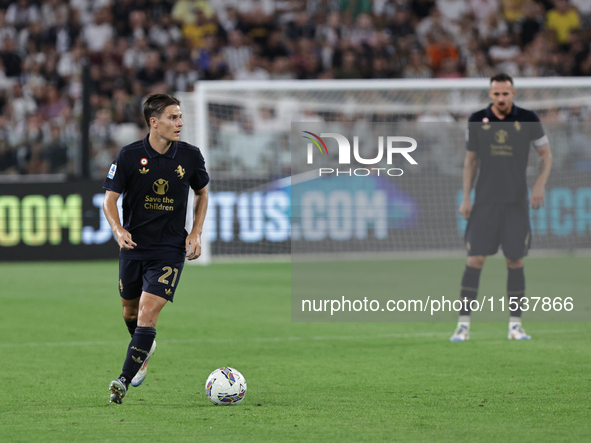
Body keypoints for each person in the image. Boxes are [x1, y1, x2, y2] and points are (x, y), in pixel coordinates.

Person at [103, 94, 209, 404]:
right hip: (135, 247)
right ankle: (145, 349)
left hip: (169, 250)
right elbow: (110, 198)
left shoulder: (190, 156)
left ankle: (122, 380)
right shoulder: (129, 155)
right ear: (154, 122)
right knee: (130, 311)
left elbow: (202, 193)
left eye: (180, 117)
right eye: (173, 118)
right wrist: (118, 228)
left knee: (148, 314)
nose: (180, 123)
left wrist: (196, 233)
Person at [450, 73, 552, 342]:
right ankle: (463, 325)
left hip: (516, 203)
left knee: (515, 261)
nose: (501, 98)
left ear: (513, 93)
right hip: (484, 202)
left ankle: (515, 326)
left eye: (505, 93)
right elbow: (470, 162)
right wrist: (466, 198)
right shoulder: (476, 120)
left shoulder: (528, 119)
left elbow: (546, 155)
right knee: (475, 260)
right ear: (490, 94)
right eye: (496, 93)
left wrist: (540, 184)